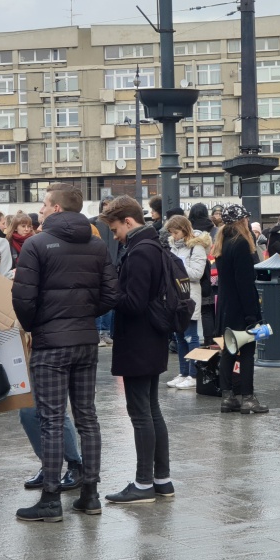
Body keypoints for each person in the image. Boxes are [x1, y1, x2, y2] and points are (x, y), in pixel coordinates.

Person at [13, 182, 119, 521]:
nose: (40, 210)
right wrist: (85, 313)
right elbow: (111, 294)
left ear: (57, 208)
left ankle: (50, 499)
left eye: (44, 204)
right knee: (87, 417)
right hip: (85, 342)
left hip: (51, 344)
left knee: (51, 420)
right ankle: (90, 493)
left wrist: (38, 324)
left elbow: (23, 299)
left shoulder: (36, 244)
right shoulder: (97, 244)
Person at [99, 196, 173, 504]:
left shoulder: (140, 251)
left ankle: (143, 484)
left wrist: (109, 290)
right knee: (151, 410)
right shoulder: (153, 246)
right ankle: (162, 480)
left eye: (115, 229)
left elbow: (134, 302)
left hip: (139, 339)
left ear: (129, 222)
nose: (115, 236)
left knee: (140, 412)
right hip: (151, 338)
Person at [212, 205, 268, 414]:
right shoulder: (242, 244)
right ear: (242, 221)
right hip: (241, 308)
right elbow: (245, 283)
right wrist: (252, 315)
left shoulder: (222, 243)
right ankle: (248, 398)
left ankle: (228, 397)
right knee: (247, 353)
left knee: (228, 351)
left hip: (226, 307)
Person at [164, 215, 210, 391]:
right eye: (172, 233)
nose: (174, 236)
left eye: (176, 232)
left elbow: (197, 273)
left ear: (184, 230)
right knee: (179, 336)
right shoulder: (173, 246)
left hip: (190, 295)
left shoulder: (196, 247)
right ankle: (183, 372)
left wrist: (177, 269)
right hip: (176, 296)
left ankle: (193, 373)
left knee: (191, 336)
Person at [91, 197, 119, 347]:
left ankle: (106, 332)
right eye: (105, 206)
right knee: (98, 299)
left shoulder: (117, 224)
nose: (106, 209)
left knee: (109, 300)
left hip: (112, 266)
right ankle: (98, 332)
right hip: (98, 266)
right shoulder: (94, 222)